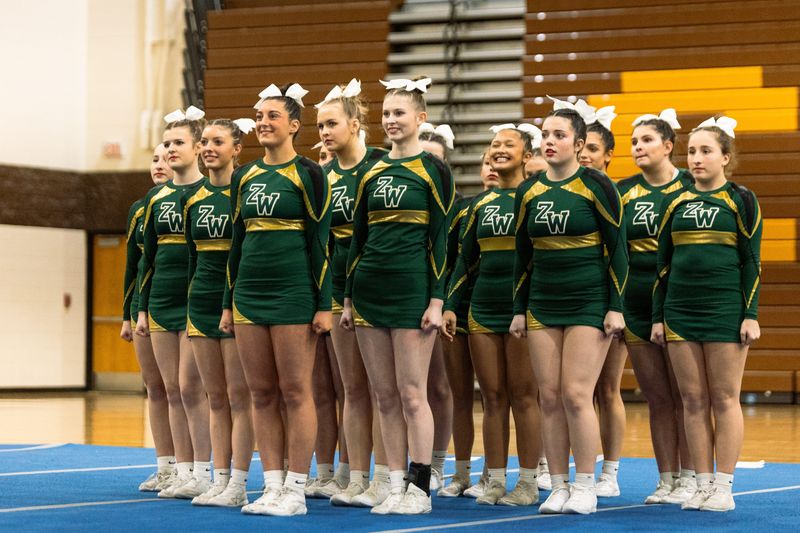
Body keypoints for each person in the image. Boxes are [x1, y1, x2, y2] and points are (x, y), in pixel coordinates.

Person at [340, 77, 455, 515]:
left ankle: (420, 488)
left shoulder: (432, 170)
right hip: (370, 291)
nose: (391, 120)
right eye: (386, 113)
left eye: (399, 113)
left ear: (420, 118)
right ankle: (392, 484)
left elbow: (441, 239)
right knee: (383, 395)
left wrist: (437, 300)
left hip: (412, 293)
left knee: (411, 393)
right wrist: (348, 299)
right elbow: (358, 239)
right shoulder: (370, 170)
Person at [510, 97, 628, 515]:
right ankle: (558, 485)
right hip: (543, 303)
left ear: (579, 144)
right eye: (545, 134)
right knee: (550, 396)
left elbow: (618, 251)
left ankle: (585, 484)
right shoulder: (528, 191)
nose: (549, 141)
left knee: (577, 394)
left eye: (559, 135)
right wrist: (519, 308)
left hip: (588, 303)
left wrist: (616, 306)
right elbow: (523, 256)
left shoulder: (597, 186)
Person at [221, 83, 332, 516]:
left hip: (293, 294)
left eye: (272, 116)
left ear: (294, 125)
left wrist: (323, 303)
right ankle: (271, 485)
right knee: (261, 393)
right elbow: (235, 244)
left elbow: (321, 242)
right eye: (259, 117)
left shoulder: (309, 173)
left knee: (296, 391)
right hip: (249, 296)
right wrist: (228, 302)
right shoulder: (244, 176)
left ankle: (296, 489)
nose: (263, 123)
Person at [652, 116, 761, 512]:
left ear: (725, 157)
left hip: (724, 311)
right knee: (692, 399)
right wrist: (658, 317)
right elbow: (663, 265)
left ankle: (724, 486)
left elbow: (751, 262)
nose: (696, 158)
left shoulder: (741, 200)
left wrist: (750, 314)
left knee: (724, 397)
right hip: (680, 312)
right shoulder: (674, 202)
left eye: (706, 151)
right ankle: (700, 484)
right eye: (692, 151)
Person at [443, 124, 543, 506]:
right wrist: (451, 304)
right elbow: (464, 261)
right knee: (493, 397)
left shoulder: (536, 197)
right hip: (483, 309)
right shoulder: (479, 205)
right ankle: (496, 480)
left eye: (508, 144)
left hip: (524, 311)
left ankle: (528, 482)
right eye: (494, 144)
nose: (499, 149)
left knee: (524, 396)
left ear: (527, 155)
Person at [313, 79, 389, 506]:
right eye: (321, 126)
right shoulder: (323, 177)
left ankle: (387, 476)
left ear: (355, 124)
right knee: (352, 389)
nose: (325, 132)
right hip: (338, 289)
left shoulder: (381, 166)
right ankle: (357, 476)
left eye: (332, 124)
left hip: (377, 286)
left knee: (384, 391)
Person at [619, 109, 696, 505]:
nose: (638, 147)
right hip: (636, 300)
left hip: (679, 300)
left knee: (688, 396)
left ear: (668, 146)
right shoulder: (622, 192)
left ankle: (693, 476)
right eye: (634, 142)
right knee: (658, 397)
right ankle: (667, 478)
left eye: (646, 140)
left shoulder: (691, 186)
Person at [136, 107, 211, 499]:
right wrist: (141, 309)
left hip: (197, 301)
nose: (169, 150)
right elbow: (146, 261)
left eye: (178, 142)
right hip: (162, 301)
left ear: (198, 147)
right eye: (167, 143)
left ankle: (203, 469)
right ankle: (180, 471)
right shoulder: (155, 199)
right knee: (169, 388)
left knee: (191, 387)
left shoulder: (212, 191)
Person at [181, 118, 257, 507]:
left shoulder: (245, 192)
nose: (209, 148)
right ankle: (219, 478)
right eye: (205, 142)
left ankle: (239, 482)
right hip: (201, 302)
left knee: (239, 396)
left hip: (237, 301)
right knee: (215, 397)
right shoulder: (193, 199)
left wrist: (235, 301)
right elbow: (191, 259)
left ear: (236, 149)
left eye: (218, 142)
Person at [577, 107, 629, 498]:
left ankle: (609, 472)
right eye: (582, 148)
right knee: (570, 392)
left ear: (609, 154)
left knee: (606, 388)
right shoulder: (566, 191)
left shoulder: (617, 194)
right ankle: (565, 467)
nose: (585, 156)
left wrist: (618, 304)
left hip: (610, 301)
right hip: (575, 300)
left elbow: (622, 254)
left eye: (593, 149)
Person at [121, 143, 175, 492]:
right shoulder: (140, 209)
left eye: (166, 159)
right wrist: (127, 315)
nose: (159, 165)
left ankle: (193, 466)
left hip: (181, 306)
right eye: (154, 159)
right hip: (145, 305)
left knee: (183, 389)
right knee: (155, 388)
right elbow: (133, 264)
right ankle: (165, 465)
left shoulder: (191, 199)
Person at [418, 122, 456, 491]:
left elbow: (454, 258)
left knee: (439, 386)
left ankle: (438, 463)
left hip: (441, 302)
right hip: (409, 295)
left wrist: (444, 302)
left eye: (436, 160)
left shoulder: (454, 208)